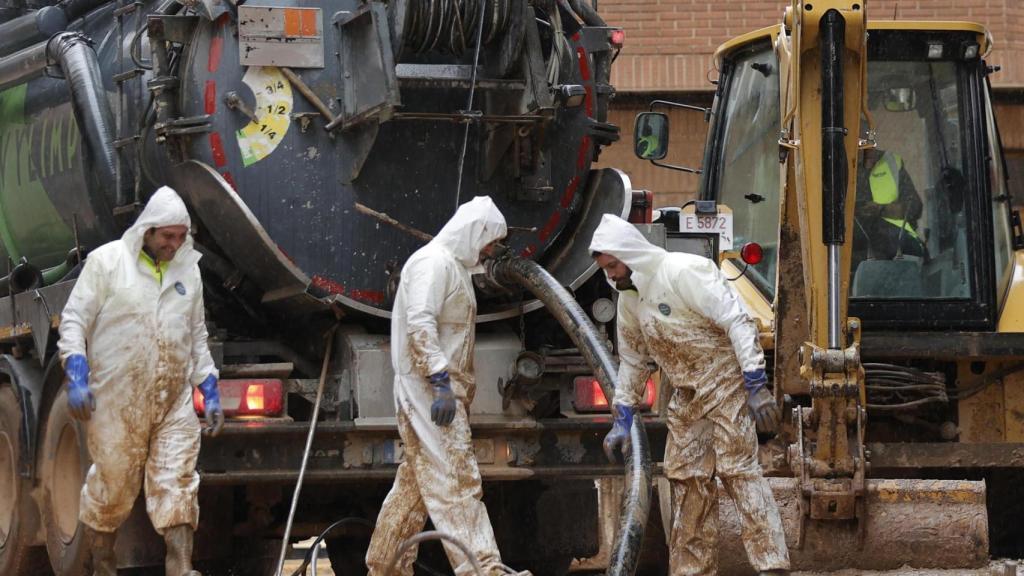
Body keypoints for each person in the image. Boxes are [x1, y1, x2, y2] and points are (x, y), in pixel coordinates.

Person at [590, 214, 790, 576]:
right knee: (685, 479)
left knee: (738, 472)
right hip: (686, 393)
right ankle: (691, 569)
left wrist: (755, 385)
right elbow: (634, 360)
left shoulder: (683, 272)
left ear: (630, 254)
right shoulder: (629, 302)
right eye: (606, 269)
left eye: (614, 265)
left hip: (725, 382)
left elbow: (737, 321)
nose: (611, 275)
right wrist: (623, 416)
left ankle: (771, 565)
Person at [58, 186, 224, 576]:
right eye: (167, 236)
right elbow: (74, 321)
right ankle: (103, 563)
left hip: (173, 402)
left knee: (178, 480)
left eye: (181, 237)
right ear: (147, 230)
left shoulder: (188, 271)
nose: (174, 244)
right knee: (113, 485)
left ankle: (180, 566)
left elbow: (196, 334)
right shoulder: (108, 263)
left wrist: (209, 387)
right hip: (117, 400)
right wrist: (77, 375)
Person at [365, 196, 529, 576]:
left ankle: (384, 566)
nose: (491, 250)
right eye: (490, 241)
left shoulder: (452, 267)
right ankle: (482, 568)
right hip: (429, 390)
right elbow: (420, 323)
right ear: (475, 232)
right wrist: (438, 380)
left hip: (440, 389)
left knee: (415, 486)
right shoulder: (432, 264)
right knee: (457, 478)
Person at [853, 146, 926, 262]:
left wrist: (882, 210)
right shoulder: (838, 167)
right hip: (854, 245)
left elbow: (915, 207)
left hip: (896, 243)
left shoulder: (891, 162)